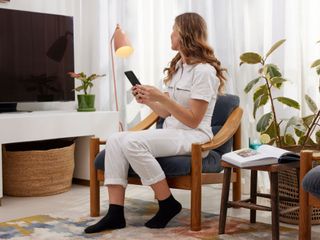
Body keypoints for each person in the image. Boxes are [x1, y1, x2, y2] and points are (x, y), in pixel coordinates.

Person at [84, 12, 227, 233]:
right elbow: (168, 113)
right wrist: (149, 101)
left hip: (194, 136)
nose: (171, 34)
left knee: (132, 143)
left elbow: (193, 120)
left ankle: (167, 203)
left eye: (174, 29)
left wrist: (161, 96)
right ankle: (115, 214)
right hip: (173, 132)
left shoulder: (204, 72)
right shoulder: (179, 67)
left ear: (186, 34)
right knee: (115, 139)